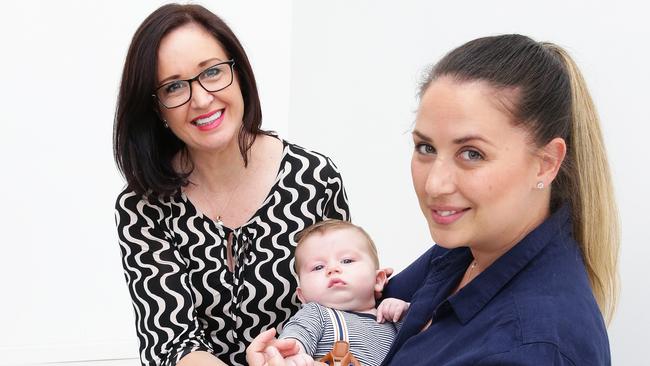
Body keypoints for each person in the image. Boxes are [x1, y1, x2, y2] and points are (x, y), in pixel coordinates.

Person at [248, 34, 619, 365]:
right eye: (425, 147)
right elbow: (361, 315)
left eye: (472, 153)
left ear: (546, 163)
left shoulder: (530, 347)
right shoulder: (465, 250)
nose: (435, 184)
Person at [112, 4, 349, 366]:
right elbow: (170, 345)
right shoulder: (143, 205)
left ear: (238, 73)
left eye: (212, 72)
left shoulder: (315, 177)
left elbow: (345, 310)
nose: (203, 99)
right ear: (157, 107)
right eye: (174, 87)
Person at [263, 220, 408, 366]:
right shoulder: (316, 313)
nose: (332, 269)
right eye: (318, 267)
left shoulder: (390, 319)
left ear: (378, 280)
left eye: (346, 260)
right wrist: (291, 357)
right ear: (302, 296)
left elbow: (421, 344)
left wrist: (404, 311)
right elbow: (296, 337)